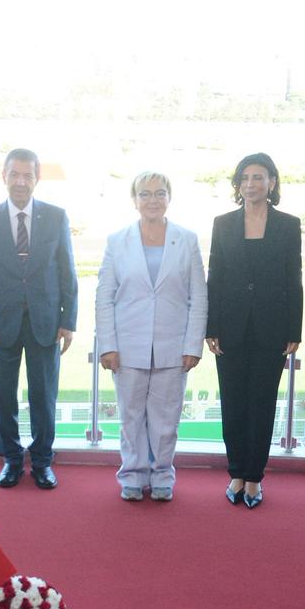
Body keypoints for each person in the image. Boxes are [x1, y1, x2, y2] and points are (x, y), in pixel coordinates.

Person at [0, 148, 77, 490]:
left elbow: (67, 272)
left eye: (27, 175)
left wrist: (69, 321)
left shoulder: (56, 217)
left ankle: (42, 461)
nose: (20, 181)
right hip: (1, 324)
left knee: (44, 396)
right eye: (14, 174)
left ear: (37, 178)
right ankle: (12, 460)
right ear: (4, 176)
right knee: (3, 396)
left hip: (46, 322)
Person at [95, 171, 207, 502]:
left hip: (173, 346)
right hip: (127, 346)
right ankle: (132, 475)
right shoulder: (117, 241)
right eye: (145, 194)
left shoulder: (187, 240)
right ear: (134, 200)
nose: (152, 200)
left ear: (169, 198)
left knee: (166, 419)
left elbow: (198, 296)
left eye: (160, 193)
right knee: (130, 417)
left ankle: (161, 476)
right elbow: (104, 297)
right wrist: (108, 345)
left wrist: (193, 344)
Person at [205, 152, 302, 509]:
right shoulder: (222, 223)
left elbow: (294, 279)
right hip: (230, 327)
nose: (251, 184)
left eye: (258, 177)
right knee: (233, 403)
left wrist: (294, 329)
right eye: (245, 178)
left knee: (262, 404)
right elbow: (215, 276)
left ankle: (254, 477)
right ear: (238, 184)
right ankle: (236, 472)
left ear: (272, 183)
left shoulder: (288, 225)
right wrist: (211, 326)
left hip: (272, 328)